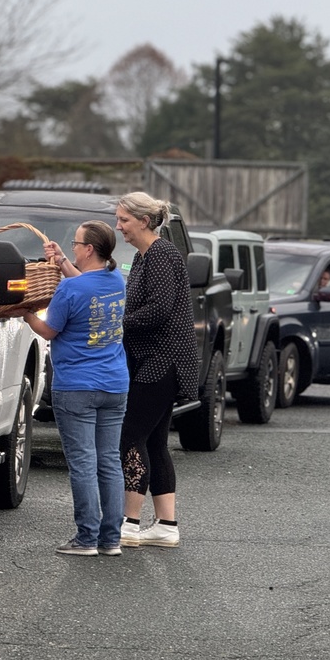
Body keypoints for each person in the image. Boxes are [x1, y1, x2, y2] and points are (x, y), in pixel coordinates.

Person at [14, 221, 130, 557]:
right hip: (114, 383)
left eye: (76, 244)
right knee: (109, 461)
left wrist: (26, 313)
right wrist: (63, 261)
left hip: (77, 385)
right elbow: (86, 287)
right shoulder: (116, 281)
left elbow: (49, 330)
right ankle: (110, 539)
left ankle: (86, 538)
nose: (74, 247)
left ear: (89, 249)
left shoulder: (68, 290)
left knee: (82, 462)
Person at [114, 192, 199, 549]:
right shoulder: (144, 256)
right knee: (154, 441)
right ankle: (166, 525)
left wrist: (117, 325)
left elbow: (159, 309)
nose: (119, 226)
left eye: (124, 220)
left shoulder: (162, 254)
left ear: (144, 221)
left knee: (130, 436)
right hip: (155, 359)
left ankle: (130, 523)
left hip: (163, 361)